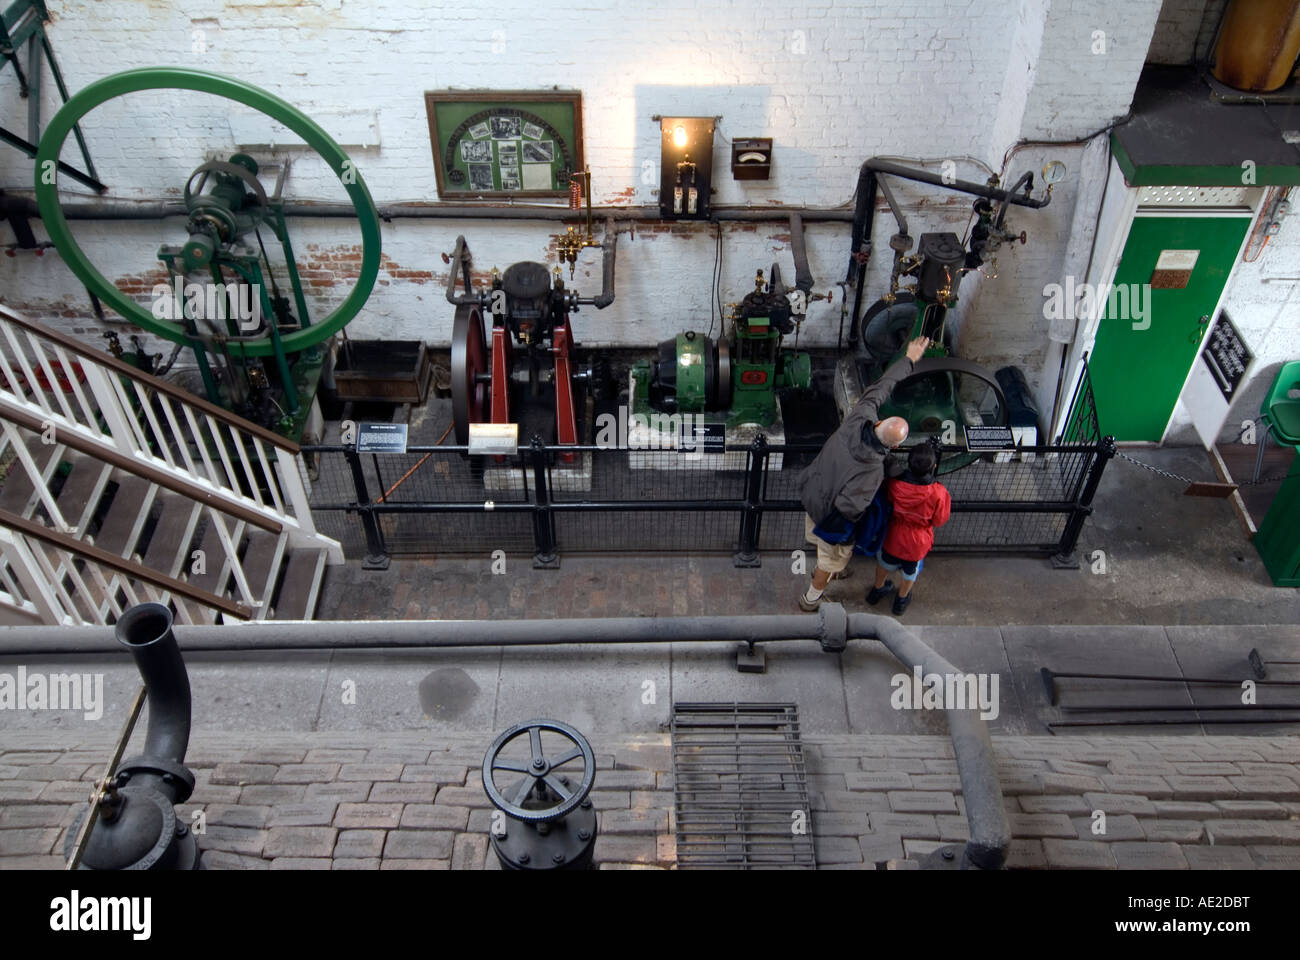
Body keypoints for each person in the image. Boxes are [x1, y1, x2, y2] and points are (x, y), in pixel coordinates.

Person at [797, 336, 931, 611]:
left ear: (879, 421)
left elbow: (881, 386)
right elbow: (850, 509)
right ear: (894, 446)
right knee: (830, 557)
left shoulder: (860, 416)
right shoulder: (872, 471)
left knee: (820, 545)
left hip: (812, 490)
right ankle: (812, 596)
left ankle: (833, 568)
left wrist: (909, 359)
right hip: (828, 515)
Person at [867, 440, 951, 615]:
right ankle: (901, 600)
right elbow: (939, 520)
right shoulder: (938, 493)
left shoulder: (894, 484)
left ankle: (876, 590)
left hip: (893, 535)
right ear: (933, 466)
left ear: (909, 463)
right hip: (917, 542)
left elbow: (885, 501)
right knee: (910, 571)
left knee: (884, 563)